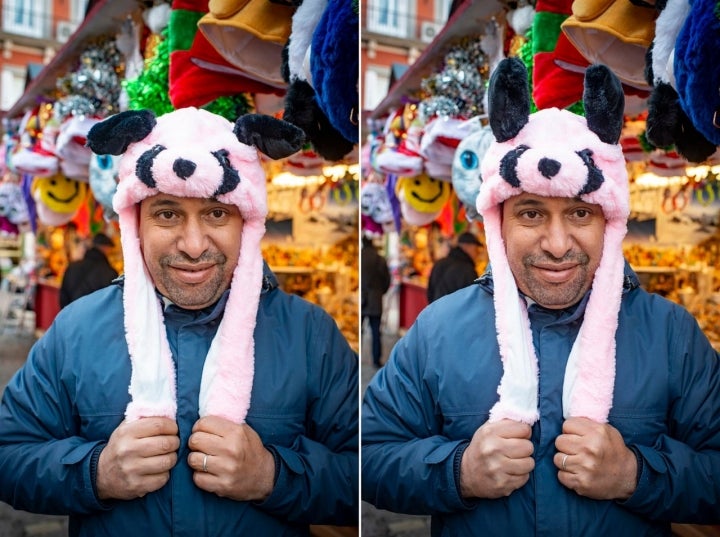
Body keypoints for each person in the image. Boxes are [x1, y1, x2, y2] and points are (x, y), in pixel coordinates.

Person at [362, 58, 720, 535]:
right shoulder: (437, 329)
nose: (556, 243)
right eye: (531, 214)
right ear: (499, 222)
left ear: (609, 223)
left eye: (579, 213)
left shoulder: (672, 334)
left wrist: (636, 474)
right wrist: (458, 471)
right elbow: (367, 456)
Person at [0, 108, 359, 535]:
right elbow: (10, 456)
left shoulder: (309, 335)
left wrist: (273, 476)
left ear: (247, 222)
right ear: (135, 223)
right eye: (167, 214)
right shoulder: (75, 331)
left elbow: (368, 473)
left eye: (216, 213)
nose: (193, 246)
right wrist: (96, 472)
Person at [59, 232, 119, 308]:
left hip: (71, 315)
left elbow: (63, 296)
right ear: (105, 248)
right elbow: (111, 304)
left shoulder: (72, 266)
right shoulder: (109, 272)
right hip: (94, 318)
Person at [361, 235, 391, 367]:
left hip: (362, 298)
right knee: (375, 331)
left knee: (359, 331)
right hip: (375, 299)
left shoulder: (360, 257)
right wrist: (380, 292)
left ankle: (357, 357)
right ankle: (376, 359)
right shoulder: (380, 259)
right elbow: (387, 279)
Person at [426, 231, 481, 303]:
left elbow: (430, 292)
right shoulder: (467, 269)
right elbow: (473, 300)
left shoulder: (439, 263)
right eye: (476, 249)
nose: (477, 253)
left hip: (436, 311)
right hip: (455, 313)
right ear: (467, 247)